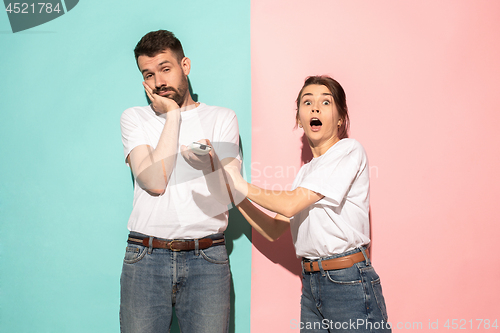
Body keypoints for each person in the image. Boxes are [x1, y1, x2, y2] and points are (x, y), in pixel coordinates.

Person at [225, 76, 391, 332]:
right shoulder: (305, 174)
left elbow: (290, 205)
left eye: (326, 102)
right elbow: (272, 229)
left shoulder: (349, 150)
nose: (315, 108)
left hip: (347, 280)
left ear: (340, 118)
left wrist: (239, 183)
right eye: (307, 102)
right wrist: (234, 194)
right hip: (312, 284)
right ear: (299, 119)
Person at [119, 30, 240, 333]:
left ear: (185, 65)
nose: (159, 81)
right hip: (145, 257)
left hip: (207, 259)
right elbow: (154, 181)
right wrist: (172, 115)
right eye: (148, 74)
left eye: (165, 68)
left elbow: (228, 195)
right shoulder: (134, 118)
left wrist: (210, 163)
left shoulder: (222, 118)